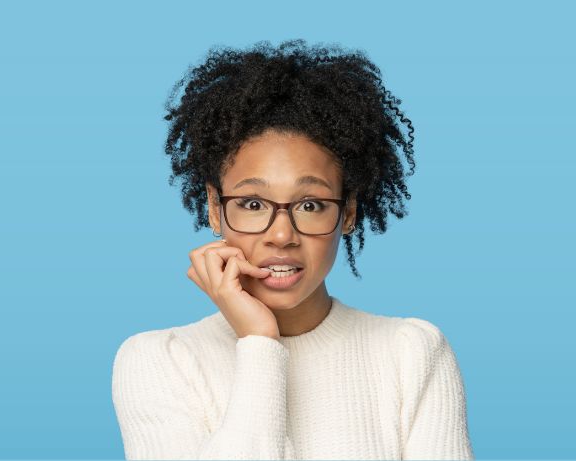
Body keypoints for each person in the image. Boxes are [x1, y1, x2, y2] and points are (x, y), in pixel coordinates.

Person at [111, 38, 474, 460]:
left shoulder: (412, 353)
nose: (281, 235)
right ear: (215, 208)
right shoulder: (159, 361)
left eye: (310, 205)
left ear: (349, 211)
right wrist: (260, 342)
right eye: (252, 204)